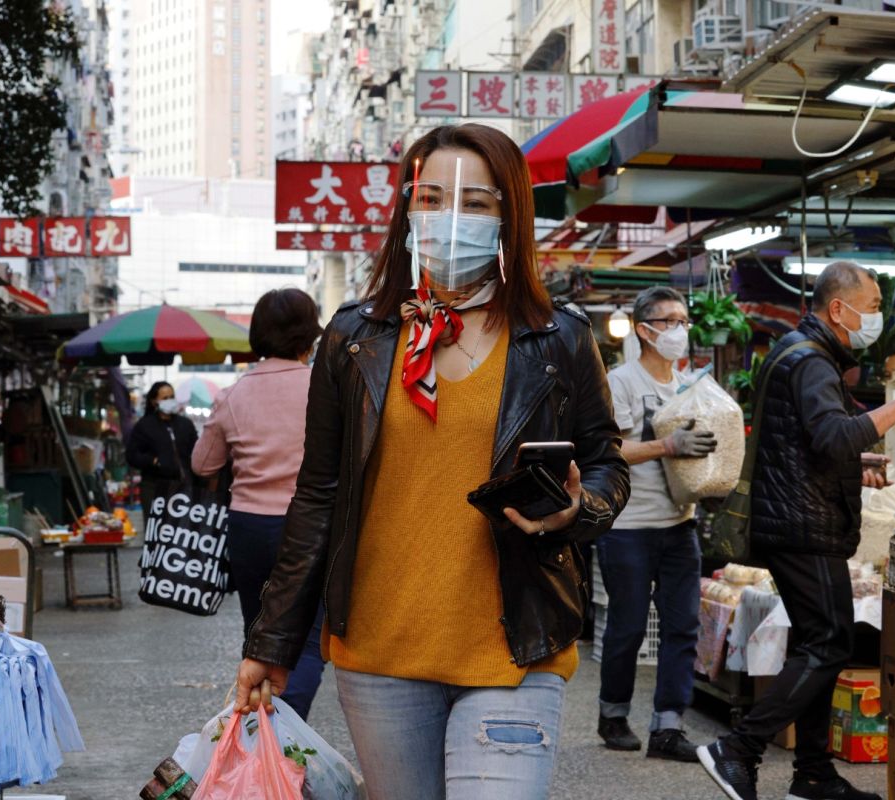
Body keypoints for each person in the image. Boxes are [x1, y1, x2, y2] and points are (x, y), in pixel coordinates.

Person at [233, 123, 630, 800]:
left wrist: (576, 508)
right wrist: (271, 642)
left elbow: (606, 465)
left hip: (515, 647)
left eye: (475, 203)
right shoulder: (354, 338)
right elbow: (319, 495)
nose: (451, 219)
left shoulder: (556, 337)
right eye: (433, 198)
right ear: (407, 211)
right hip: (380, 652)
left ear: (509, 216)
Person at [698, 261, 895, 800]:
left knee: (818, 642)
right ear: (838, 309)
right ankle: (738, 748)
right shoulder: (812, 361)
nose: (876, 318)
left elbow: (813, 444)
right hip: (802, 526)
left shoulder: (799, 352)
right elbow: (833, 437)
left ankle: (813, 775)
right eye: (870, 307)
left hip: (796, 519)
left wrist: (855, 460)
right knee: (829, 644)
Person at [191, 287, 326, 720]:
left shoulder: (234, 394)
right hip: (312, 524)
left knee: (260, 634)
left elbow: (203, 463)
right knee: (308, 639)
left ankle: (266, 725)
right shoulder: (326, 387)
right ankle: (283, 728)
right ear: (310, 335)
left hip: (249, 527)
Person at [597, 286, 714, 762]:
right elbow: (612, 451)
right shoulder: (620, 382)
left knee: (683, 625)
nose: (680, 330)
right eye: (670, 322)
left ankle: (668, 727)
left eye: (684, 321)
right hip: (627, 525)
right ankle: (612, 714)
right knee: (627, 625)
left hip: (680, 523)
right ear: (645, 330)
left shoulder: (692, 386)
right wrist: (668, 446)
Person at [125, 382, 198, 519]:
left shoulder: (185, 424)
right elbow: (132, 455)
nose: (170, 401)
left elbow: (196, 451)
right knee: (157, 530)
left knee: (181, 531)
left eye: (172, 396)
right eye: (165, 398)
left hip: (183, 486)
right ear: (154, 401)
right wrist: (153, 461)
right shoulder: (144, 426)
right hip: (154, 487)